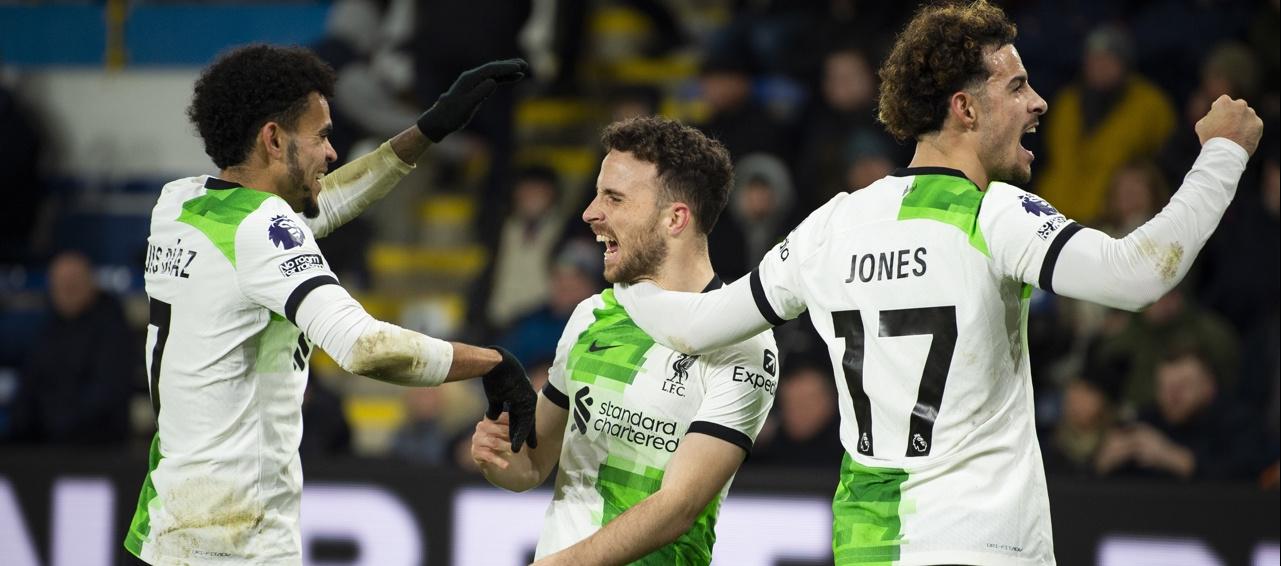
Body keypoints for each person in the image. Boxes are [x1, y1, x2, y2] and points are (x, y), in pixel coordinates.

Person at [613, 2, 1263, 564]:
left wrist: (621, 269)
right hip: (979, 545)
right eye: (1016, 87)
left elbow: (691, 327)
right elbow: (1138, 275)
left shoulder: (832, 225)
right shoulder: (989, 214)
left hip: (868, 548)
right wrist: (1223, 153)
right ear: (964, 108)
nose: (1038, 102)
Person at [123, 44, 539, 565]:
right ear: (273, 139)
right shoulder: (257, 231)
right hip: (231, 547)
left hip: (168, 528)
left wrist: (428, 130)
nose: (331, 152)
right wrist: (494, 362)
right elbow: (365, 348)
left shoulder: (182, 203)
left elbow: (321, 203)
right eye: (320, 136)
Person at [469, 117, 778, 565]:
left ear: (675, 218)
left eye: (613, 198)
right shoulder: (591, 315)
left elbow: (678, 509)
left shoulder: (741, 342)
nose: (589, 213)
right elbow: (532, 464)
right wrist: (498, 455)